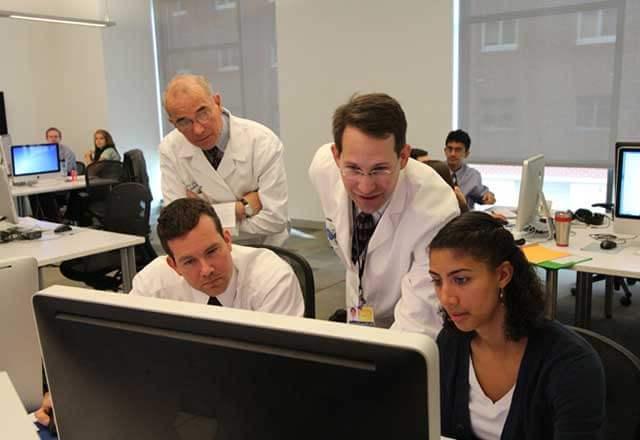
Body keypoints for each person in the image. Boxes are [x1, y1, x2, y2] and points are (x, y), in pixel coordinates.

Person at [430, 211, 606, 439]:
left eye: (461, 280)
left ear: (503, 275)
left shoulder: (570, 363)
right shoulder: (450, 343)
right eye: (437, 281)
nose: (446, 297)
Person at [308, 93, 459, 335]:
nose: (365, 187)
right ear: (336, 156)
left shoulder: (436, 209)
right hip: (357, 316)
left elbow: (419, 320)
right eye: (353, 169)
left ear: (403, 157)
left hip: (409, 323)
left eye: (380, 169)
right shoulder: (322, 169)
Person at [159, 74, 289, 246]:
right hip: (204, 252)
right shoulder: (170, 148)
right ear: (173, 123)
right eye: (184, 122)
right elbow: (177, 224)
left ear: (218, 103)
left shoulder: (262, 142)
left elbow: (275, 219)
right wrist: (242, 208)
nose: (198, 129)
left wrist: (202, 217)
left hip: (262, 248)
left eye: (203, 113)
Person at [129, 198, 304, 317]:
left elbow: (279, 364)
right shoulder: (152, 286)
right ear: (173, 265)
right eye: (189, 261)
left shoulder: (271, 278)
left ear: (227, 240)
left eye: (212, 251)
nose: (206, 270)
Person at [28, 127, 78, 222]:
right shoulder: (41, 151)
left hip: (62, 183)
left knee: (44, 194)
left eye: (56, 136)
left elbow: (68, 169)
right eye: (50, 137)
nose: (53, 139)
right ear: (47, 138)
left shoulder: (67, 151)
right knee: (32, 193)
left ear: (60, 138)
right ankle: (39, 218)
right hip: (44, 182)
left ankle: (53, 219)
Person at [444, 129, 496, 209]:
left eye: (458, 150)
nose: (452, 154)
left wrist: (488, 196)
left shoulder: (473, 175)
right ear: (445, 151)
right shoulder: (436, 171)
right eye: (450, 149)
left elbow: (483, 195)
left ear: (466, 154)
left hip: (465, 219)